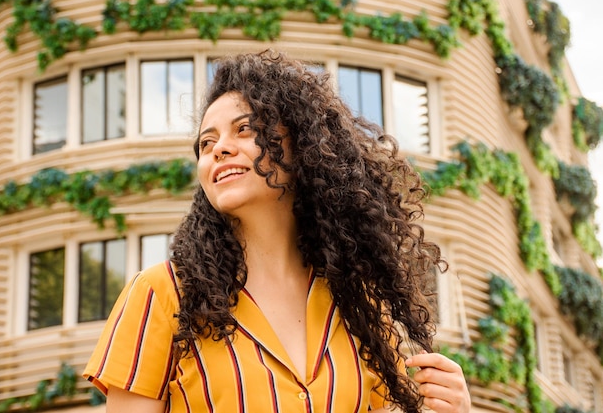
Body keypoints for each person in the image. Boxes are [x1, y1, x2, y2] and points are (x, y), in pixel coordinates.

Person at [83, 50, 471, 413]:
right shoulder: (162, 294)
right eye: (206, 142)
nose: (218, 149)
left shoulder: (359, 304)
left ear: (302, 146)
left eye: (244, 129)